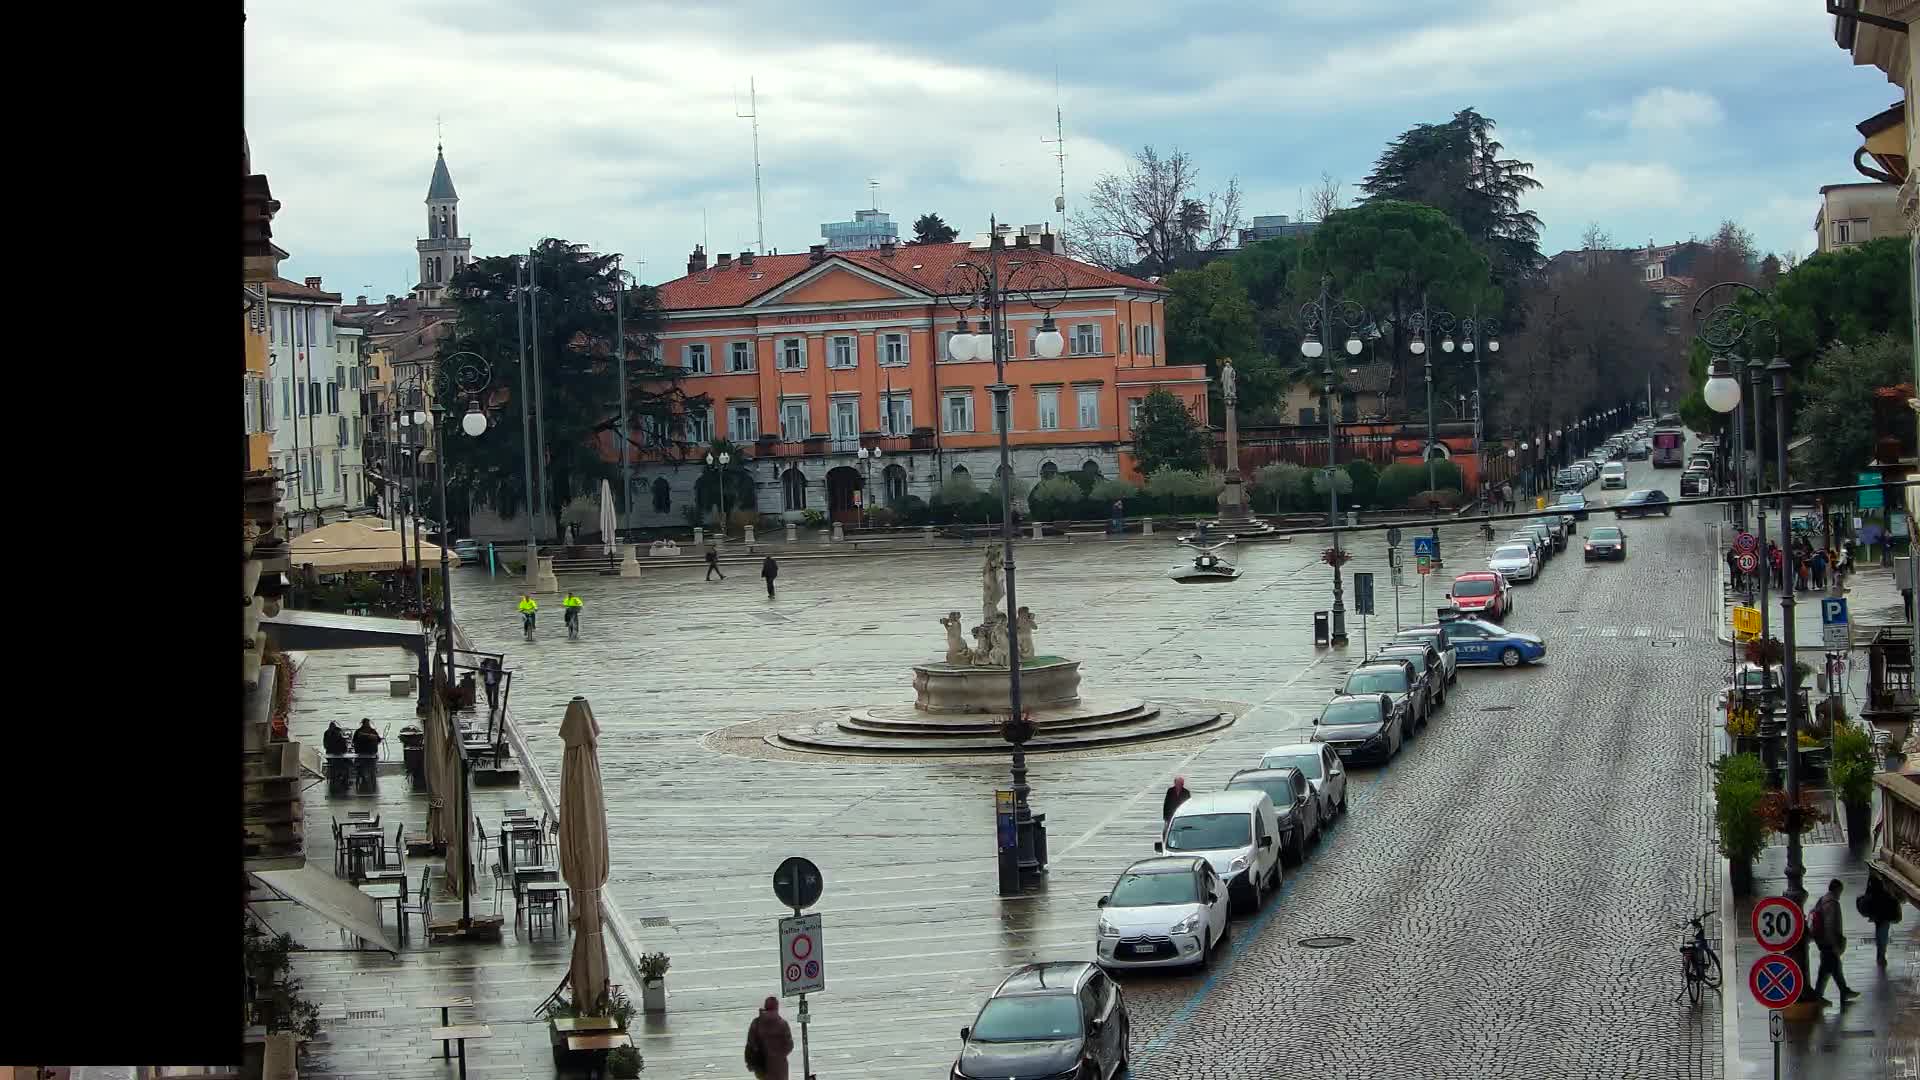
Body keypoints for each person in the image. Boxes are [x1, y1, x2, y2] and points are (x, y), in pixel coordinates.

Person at [1809, 878, 1859, 1004]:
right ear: (1837, 889)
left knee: (1831, 969)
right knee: (1829, 969)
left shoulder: (1823, 900)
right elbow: (1830, 925)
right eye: (1840, 891)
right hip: (1828, 943)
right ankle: (1819, 996)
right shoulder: (1832, 903)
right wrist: (1834, 944)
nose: (1841, 894)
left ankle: (1842, 991)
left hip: (1822, 941)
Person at [744, 995, 794, 1080]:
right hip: (780, 1067)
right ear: (777, 1007)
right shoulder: (782, 1024)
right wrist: (777, 1055)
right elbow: (789, 1045)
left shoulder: (756, 1023)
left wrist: (751, 1061)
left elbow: (750, 1043)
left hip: (762, 1065)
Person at [1860, 873, 1904, 967]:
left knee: (1880, 929)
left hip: (1877, 906)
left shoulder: (1875, 871)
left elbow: (1869, 888)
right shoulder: (1883, 872)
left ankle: (1880, 954)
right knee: (1882, 929)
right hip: (1885, 906)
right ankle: (1881, 954)